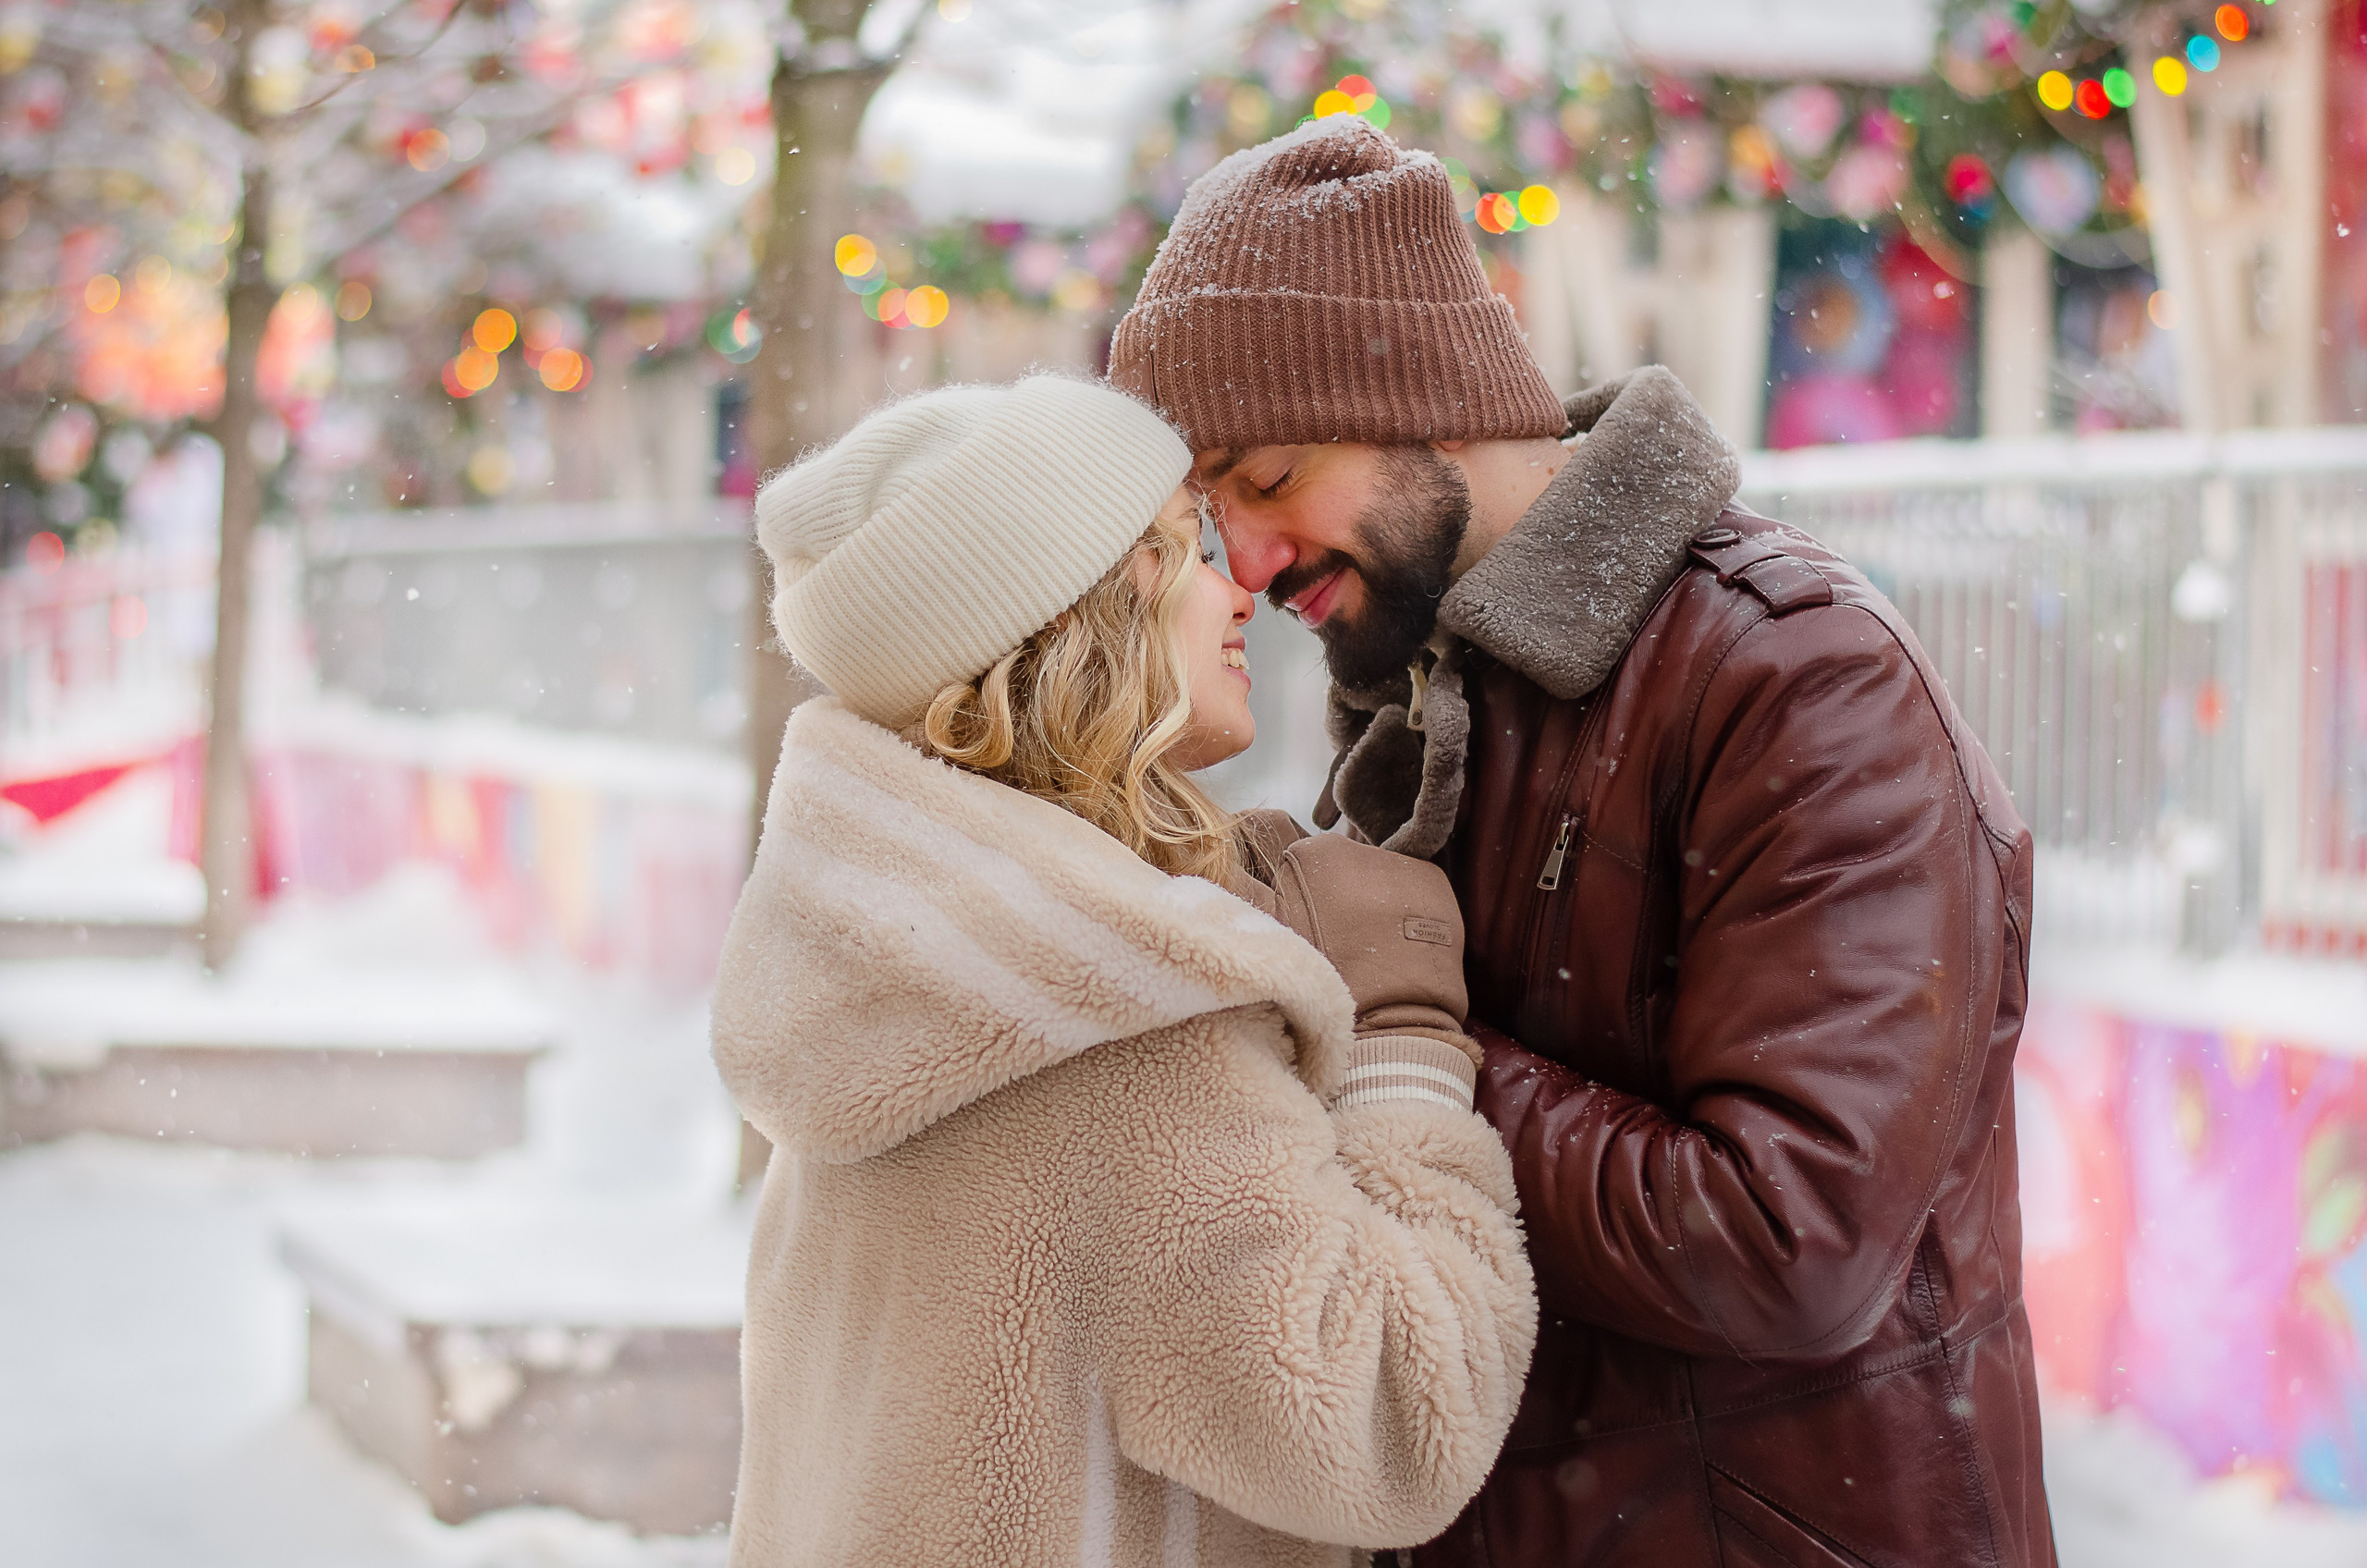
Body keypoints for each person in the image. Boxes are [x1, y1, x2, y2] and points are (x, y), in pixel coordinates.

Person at [1111, 117, 2055, 1568]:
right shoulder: (1420, 702)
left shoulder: (1799, 680)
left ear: (1416, 389)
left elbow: (1789, 1241)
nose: (1243, 558)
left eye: (1270, 473)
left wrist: (1401, 1042)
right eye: (1204, 513)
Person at [712, 374, 1538, 1567]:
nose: (1239, 585)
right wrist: (1402, 1034)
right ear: (1085, 618)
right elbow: (1398, 1422)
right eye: (1183, 548)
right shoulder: (1117, 1039)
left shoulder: (901, 979)